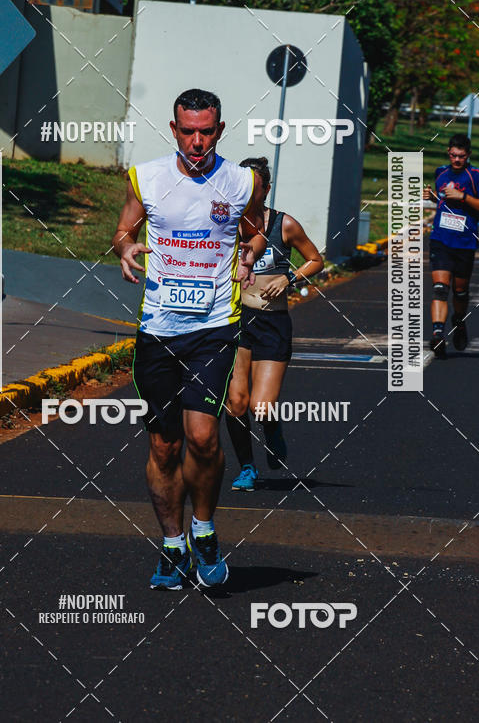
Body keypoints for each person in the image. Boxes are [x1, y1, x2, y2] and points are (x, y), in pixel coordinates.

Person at [112, 88, 266, 589]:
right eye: (187, 131)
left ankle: (204, 529)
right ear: (173, 129)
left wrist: (249, 253)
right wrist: (125, 247)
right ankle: (173, 545)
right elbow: (123, 231)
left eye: (206, 132)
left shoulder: (242, 181)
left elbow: (254, 230)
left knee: (202, 437)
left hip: (213, 326)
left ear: (219, 130)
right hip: (159, 329)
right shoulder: (147, 177)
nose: (197, 141)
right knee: (163, 446)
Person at [225, 157, 324, 490]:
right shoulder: (226, 224)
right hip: (237, 321)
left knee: (260, 407)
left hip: (272, 324)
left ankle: (272, 426)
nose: (249, 193)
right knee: (236, 402)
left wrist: (289, 279)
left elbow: (316, 260)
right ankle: (247, 467)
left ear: (266, 189)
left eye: (255, 186)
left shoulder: (285, 224)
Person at [423, 133, 479, 357]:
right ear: (448, 153)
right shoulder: (441, 173)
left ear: (468, 155)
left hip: (464, 243)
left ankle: (459, 321)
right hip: (440, 239)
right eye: (453, 155)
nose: (456, 160)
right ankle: (437, 335)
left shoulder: (477, 176)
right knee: (440, 288)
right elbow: (444, 200)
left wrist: (463, 197)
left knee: (460, 292)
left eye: (461, 156)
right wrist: (433, 197)